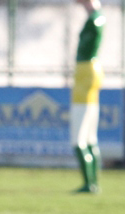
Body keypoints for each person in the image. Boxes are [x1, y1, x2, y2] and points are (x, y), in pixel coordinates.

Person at [70, 0, 105, 194]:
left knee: (80, 138)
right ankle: (92, 183)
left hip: (86, 77)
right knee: (90, 137)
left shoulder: (97, 18)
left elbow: (98, 22)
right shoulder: (95, 18)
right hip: (86, 76)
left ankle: (90, 184)